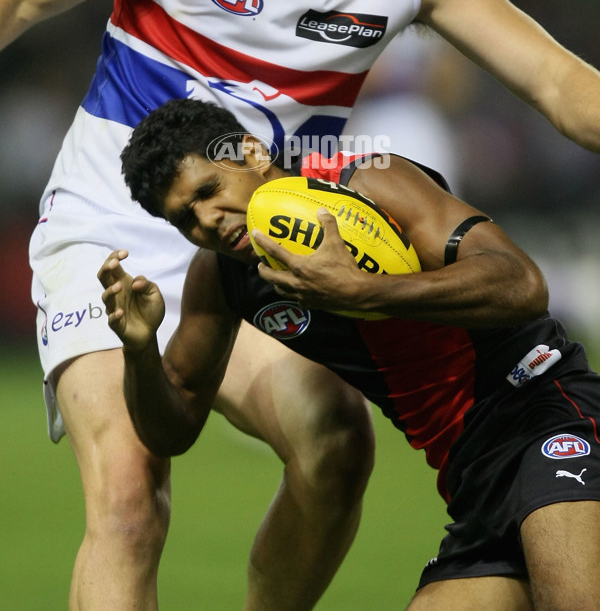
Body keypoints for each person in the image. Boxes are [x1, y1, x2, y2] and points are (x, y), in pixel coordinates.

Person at [1, 0, 600, 611]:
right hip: (114, 227)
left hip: (249, 244)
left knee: (336, 442)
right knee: (131, 498)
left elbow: (562, 87)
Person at [99, 97, 600, 611]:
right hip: (470, 479)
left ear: (249, 152)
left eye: (210, 190)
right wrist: (139, 350)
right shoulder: (223, 278)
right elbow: (173, 426)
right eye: (185, 218)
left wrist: (364, 292)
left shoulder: (366, 184)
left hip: (545, 412)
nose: (208, 220)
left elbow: (522, 283)